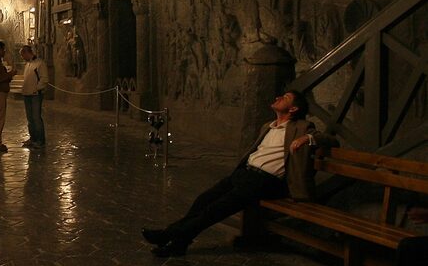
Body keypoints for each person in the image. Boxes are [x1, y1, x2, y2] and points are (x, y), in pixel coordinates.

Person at [142, 90, 336, 257]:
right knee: (203, 200)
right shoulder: (267, 126)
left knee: (215, 209)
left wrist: (307, 138)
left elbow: (331, 140)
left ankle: (168, 235)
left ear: (293, 109)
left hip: (266, 181)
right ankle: (179, 243)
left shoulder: (301, 127)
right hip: (245, 173)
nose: (278, 97)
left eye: (285, 97)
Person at [19, 45, 48, 149]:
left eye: (23, 55)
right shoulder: (28, 64)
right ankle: (33, 138)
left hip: (35, 95)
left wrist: (36, 89)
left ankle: (40, 140)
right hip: (27, 94)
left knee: (36, 117)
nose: (22, 58)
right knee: (30, 118)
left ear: (27, 53)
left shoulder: (40, 63)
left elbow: (44, 79)